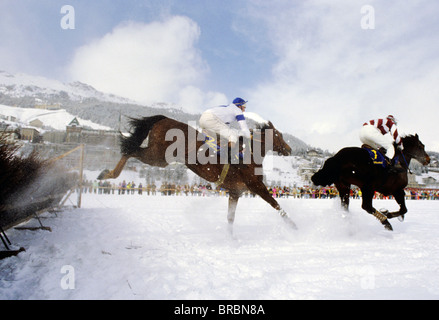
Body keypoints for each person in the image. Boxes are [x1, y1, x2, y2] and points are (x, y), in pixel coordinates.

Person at [199, 97, 251, 162]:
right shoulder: (237, 110)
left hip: (203, 119)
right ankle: (230, 156)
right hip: (211, 119)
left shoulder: (228, 109)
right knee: (232, 134)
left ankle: (212, 143)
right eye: (244, 106)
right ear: (239, 106)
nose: (244, 109)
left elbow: (226, 128)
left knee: (227, 134)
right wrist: (249, 137)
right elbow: (244, 127)